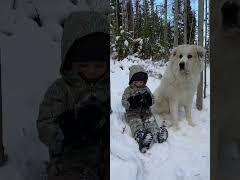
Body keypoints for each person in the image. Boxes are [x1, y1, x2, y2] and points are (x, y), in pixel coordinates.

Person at [37, 11, 109, 180]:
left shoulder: (108, 87)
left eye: (99, 65)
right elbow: (44, 125)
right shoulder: (61, 89)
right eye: (84, 65)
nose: (91, 71)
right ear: (71, 61)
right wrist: (66, 131)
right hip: (70, 157)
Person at [122, 65, 168, 153]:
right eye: (137, 81)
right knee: (135, 122)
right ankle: (140, 136)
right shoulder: (128, 90)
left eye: (141, 81)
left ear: (144, 81)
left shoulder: (146, 89)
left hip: (145, 111)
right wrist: (131, 102)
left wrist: (149, 101)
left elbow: (153, 99)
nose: (139, 83)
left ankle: (157, 134)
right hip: (133, 112)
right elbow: (124, 102)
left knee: (150, 120)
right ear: (132, 81)